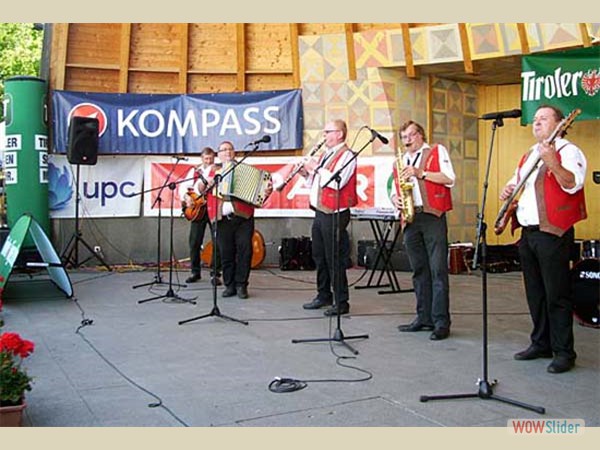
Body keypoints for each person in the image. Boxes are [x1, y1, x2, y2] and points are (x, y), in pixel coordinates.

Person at [500, 104, 587, 374]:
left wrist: (553, 163)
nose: (536, 123)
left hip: (552, 233)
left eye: (543, 119)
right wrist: (508, 189)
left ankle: (564, 351)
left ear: (560, 123)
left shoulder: (568, 151)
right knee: (535, 293)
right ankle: (541, 343)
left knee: (556, 294)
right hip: (529, 233)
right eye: (535, 119)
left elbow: (573, 183)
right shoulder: (529, 155)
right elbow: (519, 185)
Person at [391, 120, 455, 340]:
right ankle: (423, 317)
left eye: (410, 136)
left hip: (432, 216)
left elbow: (449, 179)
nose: (407, 141)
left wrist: (421, 173)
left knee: (438, 270)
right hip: (410, 217)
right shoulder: (401, 161)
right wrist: (395, 199)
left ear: (420, 135)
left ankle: (441, 322)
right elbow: (393, 187)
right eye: (404, 137)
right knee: (419, 270)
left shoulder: (437, 151)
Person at [301, 120, 357, 316]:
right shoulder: (327, 154)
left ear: (340, 134)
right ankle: (323, 294)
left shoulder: (347, 155)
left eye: (328, 132)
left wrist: (316, 166)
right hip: (320, 211)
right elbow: (316, 182)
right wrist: (305, 173)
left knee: (334, 258)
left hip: (335, 212)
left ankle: (341, 301)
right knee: (319, 255)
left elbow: (335, 182)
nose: (324, 135)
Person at [207, 141, 273, 299]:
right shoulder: (214, 172)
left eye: (230, 149)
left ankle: (242, 285)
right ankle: (229, 285)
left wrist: (266, 191)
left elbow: (261, 192)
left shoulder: (245, 170)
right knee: (226, 252)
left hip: (243, 218)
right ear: (218, 154)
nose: (227, 152)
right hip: (222, 219)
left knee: (245, 251)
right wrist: (207, 184)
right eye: (223, 150)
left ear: (234, 152)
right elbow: (199, 189)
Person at [179, 147, 221, 285]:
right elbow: (183, 187)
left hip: (214, 208)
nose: (209, 161)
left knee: (217, 241)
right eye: (206, 159)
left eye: (211, 158)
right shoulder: (194, 171)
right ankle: (195, 272)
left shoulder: (219, 170)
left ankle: (215, 274)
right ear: (202, 159)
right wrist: (186, 197)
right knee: (194, 241)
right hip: (199, 210)